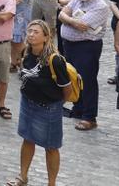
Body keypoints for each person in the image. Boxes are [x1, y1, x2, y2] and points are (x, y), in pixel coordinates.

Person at [5, 20, 73, 186]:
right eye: (29, 31)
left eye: (36, 32)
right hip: (27, 104)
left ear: (46, 37)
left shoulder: (55, 60)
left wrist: (54, 103)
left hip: (48, 108)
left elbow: (67, 89)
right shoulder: (26, 53)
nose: (31, 34)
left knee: (51, 147)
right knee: (27, 139)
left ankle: (51, 183)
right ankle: (23, 177)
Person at [58, 0, 111, 131]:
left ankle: (89, 117)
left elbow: (82, 25)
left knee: (87, 81)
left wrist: (68, 19)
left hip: (87, 47)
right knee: (73, 77)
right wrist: (71, 20)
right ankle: (78, 109)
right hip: (70, 45)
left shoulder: (100, 6)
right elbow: (62, 14)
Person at [6, 0, 33, 72]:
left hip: (22, 14)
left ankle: (25, 63)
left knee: (19, 41)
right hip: (12, 13)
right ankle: (13, 62)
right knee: (13, 40)